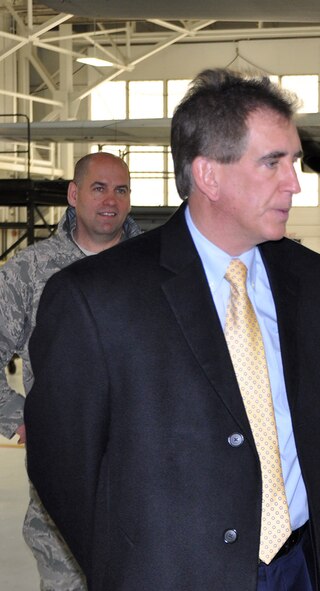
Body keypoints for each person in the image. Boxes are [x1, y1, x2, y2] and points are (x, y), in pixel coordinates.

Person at [25, 69, 320, 590]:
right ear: (208, 175)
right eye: (272, 162)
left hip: (303, 567)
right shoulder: (95, 296)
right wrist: (135, 570)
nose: (294, 182)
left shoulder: (312, 281)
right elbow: (63, 467)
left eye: (293, 162)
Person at [0, 151, 140, 590]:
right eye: (99, 188)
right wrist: (19, 416)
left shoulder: (153, 269)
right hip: (63, 474)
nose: (111, 200)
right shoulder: (29, 270)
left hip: (144, 471)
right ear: (74, 194)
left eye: (121, 190)